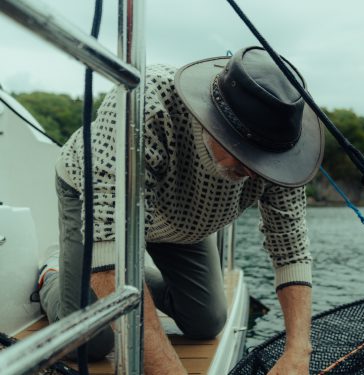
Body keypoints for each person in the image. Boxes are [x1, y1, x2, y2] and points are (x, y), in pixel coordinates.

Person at [38, 46, 324, 375]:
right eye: (243, 151)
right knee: (90, 343)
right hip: (93, 197)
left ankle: (117, 277)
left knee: (207, 320)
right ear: (211, 118)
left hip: (185, 221)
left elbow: (291, 248)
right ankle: (52, 275)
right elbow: (108, 245)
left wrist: (298, 351)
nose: (255, 169)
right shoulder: (144, 103)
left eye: (265, 159)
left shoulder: (282, 147)